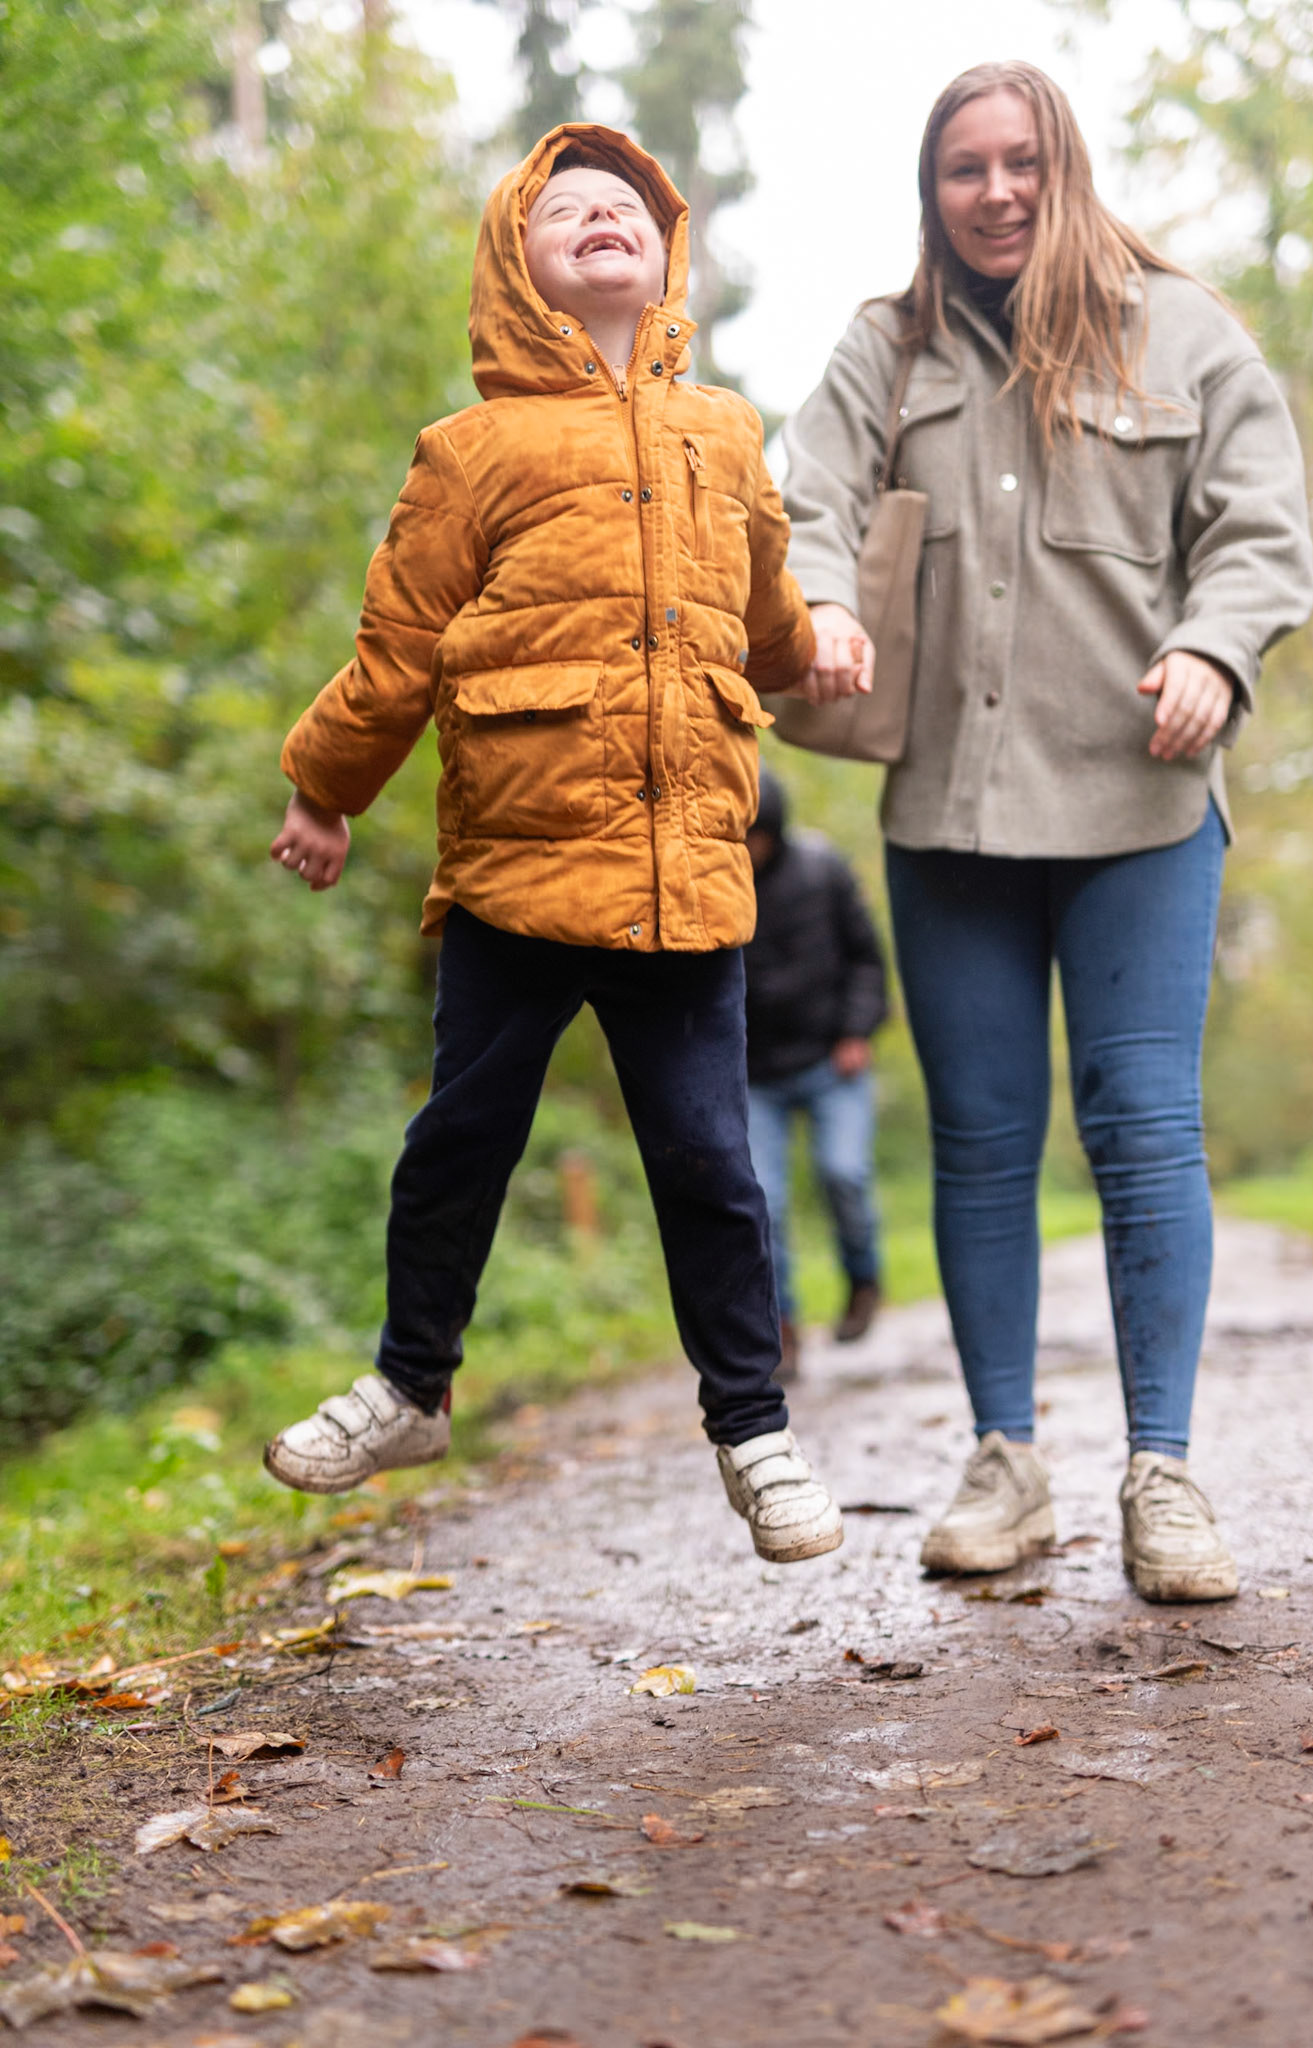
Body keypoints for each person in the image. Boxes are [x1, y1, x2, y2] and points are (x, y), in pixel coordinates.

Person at [260, 124, 844, 1567]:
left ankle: (753, 1429)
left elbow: (762, 616)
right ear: (511, 269)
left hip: (685, 881)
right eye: (562, 209)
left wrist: (814, 639)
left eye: (625, 210)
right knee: (458, 1141)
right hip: (519, 874)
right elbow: (393, 650)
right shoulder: (471, 454)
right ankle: (410, 1383)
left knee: (711, 1166)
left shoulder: (722, 435)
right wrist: (326, 787)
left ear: (664, 257)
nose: (600, 221)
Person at [781, 62, 1313, 1601]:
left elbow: (1258, 531)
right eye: (964, 169)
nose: (996, 192)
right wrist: (818, 600)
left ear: (1061, 167)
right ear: (930, 190)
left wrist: (1213, 650)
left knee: (1143, 1134)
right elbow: (803, 502)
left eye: (1020, 162)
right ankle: (1004, 1463)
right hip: (948, 814)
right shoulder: (879, 355)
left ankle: (1162, 1476)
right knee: (978, 1144)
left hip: (1140, 803)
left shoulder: (1183, 332)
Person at [743, 766, 889, 1376]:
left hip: (832, 1059)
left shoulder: (822, 870)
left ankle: (863, 1280)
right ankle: (782, 1328)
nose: (747, 849)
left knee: (844, 1173)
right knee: (762, 1203)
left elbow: (866, 960)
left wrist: (856, 1030)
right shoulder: (712, 882)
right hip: (754, 1073)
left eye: (756, 836)